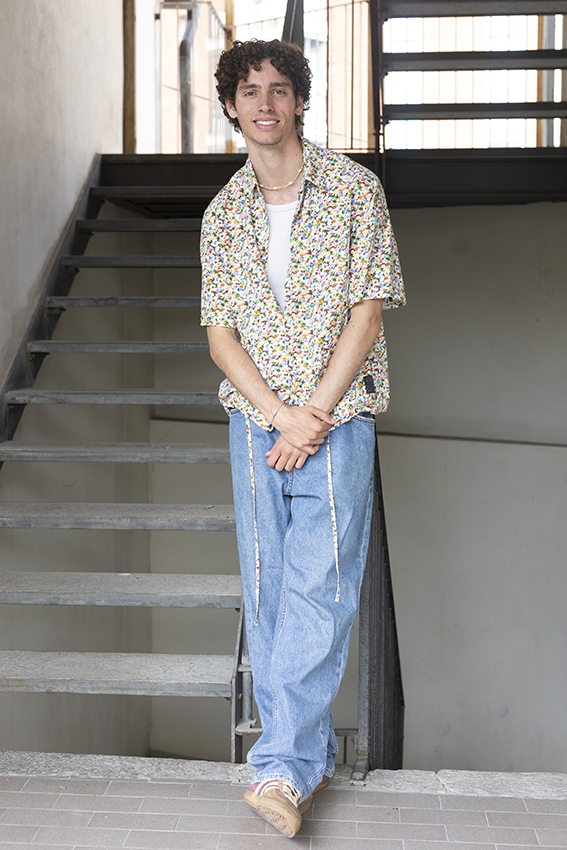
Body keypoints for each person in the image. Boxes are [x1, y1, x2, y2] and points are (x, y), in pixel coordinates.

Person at [200, 38, 405, 838]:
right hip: (255, 425)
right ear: (230, 105)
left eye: (279, 89)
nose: (264, 103)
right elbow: (221, 334)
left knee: (319, 588)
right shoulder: (222, 214)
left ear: (298, 100)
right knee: (268, 590)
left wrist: (311, 414)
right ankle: (303, 759)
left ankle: (280, 766)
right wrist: (276, 414)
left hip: (337, 420)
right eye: (249, 90)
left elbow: (367, 312)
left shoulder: (354, 190)